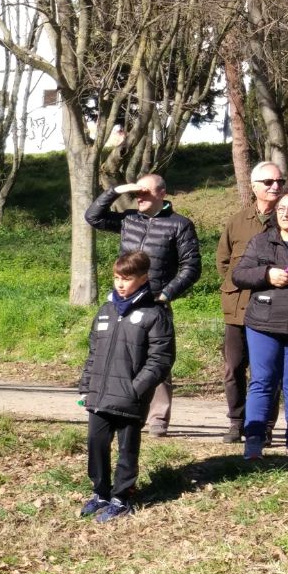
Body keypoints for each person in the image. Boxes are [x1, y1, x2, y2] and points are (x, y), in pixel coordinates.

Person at [84, 173, 201, 436]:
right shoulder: (129, 219)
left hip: (154, 303)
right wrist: (116, 190)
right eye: (137, 192)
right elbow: (93, 217)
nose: (140, 197)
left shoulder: (179, 225)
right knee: (118, 353)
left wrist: (166, 294)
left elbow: (191, 267)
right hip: (123, 301)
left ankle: (158, 419)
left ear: (162, 193)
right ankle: (115, 405)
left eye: (146, 192)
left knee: (157, 358)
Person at [78, 249, 175, 520]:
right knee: (96, 443)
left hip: (131, 397)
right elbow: (93, 352)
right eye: (117, 278)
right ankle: (100, 493)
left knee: (127, 450)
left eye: (127, 278)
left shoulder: (155, 313)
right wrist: (86, 385)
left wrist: (136, 388)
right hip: (99, 395)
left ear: (143, 278)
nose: (120, 284)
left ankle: (121, 498)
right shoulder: (106, 311)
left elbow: (161, 359)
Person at [232, 186, 288, 460]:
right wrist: (266, 274)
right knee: (262, 382)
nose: (286, 214)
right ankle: (254, 442)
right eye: (281, 208)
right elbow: (239, 275)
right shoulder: (262, 241)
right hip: (262, 323)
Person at [217, 162, 285, 443]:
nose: (275, 186)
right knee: (233, 368)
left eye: (280, 181)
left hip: (274, 308)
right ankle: (237, 422)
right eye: (268, 182)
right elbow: (224, 262)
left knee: (267, 371)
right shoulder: (237, 221)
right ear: (254, 186)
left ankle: (264, 426)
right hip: (238, 308)